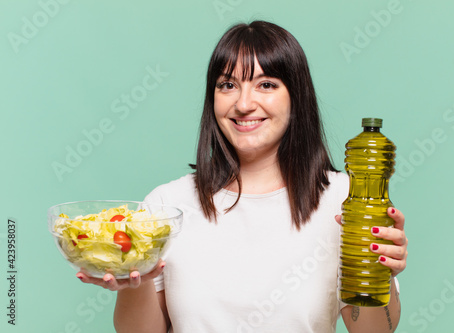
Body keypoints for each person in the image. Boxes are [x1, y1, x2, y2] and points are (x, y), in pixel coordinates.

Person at [77, 20, 408, 333]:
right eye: (228, 85)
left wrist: (380, 272)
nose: (243, 103)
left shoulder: (344, 200)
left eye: (266, 84)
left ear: (297, 97)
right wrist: (135, 278)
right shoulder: (167, 206)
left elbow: (374, 329)